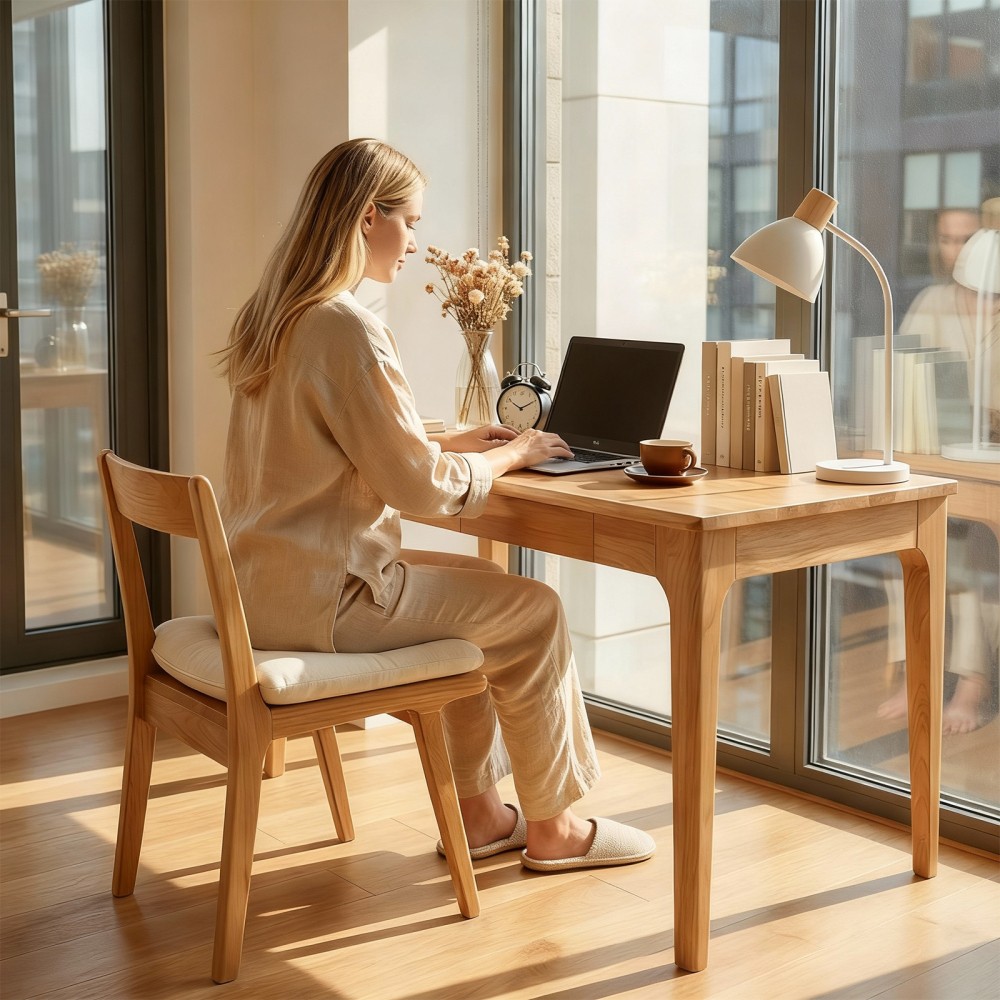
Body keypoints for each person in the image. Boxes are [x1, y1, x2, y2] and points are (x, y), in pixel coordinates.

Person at [218, 138, 656, 871]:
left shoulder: (274, 315)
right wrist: (510, 453)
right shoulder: (346, 325)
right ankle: (555, 830)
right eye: (410, 221)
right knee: (536, 612)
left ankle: (483, 819)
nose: (416, 242)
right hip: (331, 600)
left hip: (266, 586)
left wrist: (449, 437)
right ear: (366, 218)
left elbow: (330, 439)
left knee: (483, 597)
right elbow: (419, 488)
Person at [877, 206, 999, 734]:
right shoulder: (930, 303)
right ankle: (915, 675)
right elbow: (898, 376)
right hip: (930, 456)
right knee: (899, 544)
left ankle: (973, 681)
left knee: (975, 551)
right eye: (948, 240)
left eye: (968, 240)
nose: (958, 251)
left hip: (987, 467)